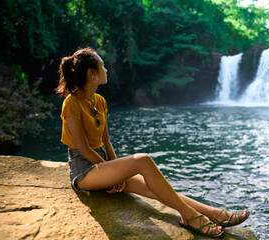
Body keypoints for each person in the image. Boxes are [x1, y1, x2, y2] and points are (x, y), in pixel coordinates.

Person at [56, 47, 249, 238]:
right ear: (92, 74)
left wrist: (116, 171)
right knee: (143, 160)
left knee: (157, 189)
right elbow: (84, 149)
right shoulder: (71, 103)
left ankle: (215, 214)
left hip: (103, 167)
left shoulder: (99, 101)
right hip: (84, 172)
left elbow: (105, 139)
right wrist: (113, 172)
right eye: (102, 66)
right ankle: (190, 217)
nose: (106, 70)